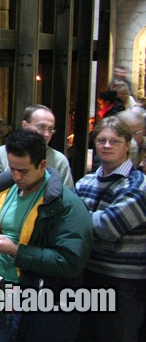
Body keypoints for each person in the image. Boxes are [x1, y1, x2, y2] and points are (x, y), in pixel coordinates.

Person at [0, 128, 92, 342]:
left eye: (24, 171)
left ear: (43, 165)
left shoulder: (66, 205)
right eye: (12, 169)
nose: (16, 176)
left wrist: (16, 251)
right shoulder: (3, 190)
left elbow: (70, 261)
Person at [75, 117, 146, 341]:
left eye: (115, 141)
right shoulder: (84, 182)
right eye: (102, 140)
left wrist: (75, 220)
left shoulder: (138, 185)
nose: (107, 146)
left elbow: (108, 227)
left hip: (122, 285)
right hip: (86, 277)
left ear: (127, 145)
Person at [0, 105, 73, 188]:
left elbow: (66, 196)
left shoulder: (59, 160)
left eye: (51, 129)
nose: (47, 134)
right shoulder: (3, 152)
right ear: (25, 125)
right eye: (41, 127)